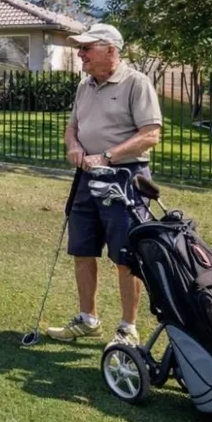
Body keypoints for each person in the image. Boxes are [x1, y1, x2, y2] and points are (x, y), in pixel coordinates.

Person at [47, 23, 163, 347]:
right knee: (82, 249)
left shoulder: (136, 83)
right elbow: (72, 127)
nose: (79, 54)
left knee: (126, 256)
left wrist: (108, 156)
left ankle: (128, 328)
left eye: (86, 48)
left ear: (111, 50)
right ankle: (88, 319)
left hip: (125, 178)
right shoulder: (84, 86)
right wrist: (73, 146)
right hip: (87, 177)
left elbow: (150, 134)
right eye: (79, 48)